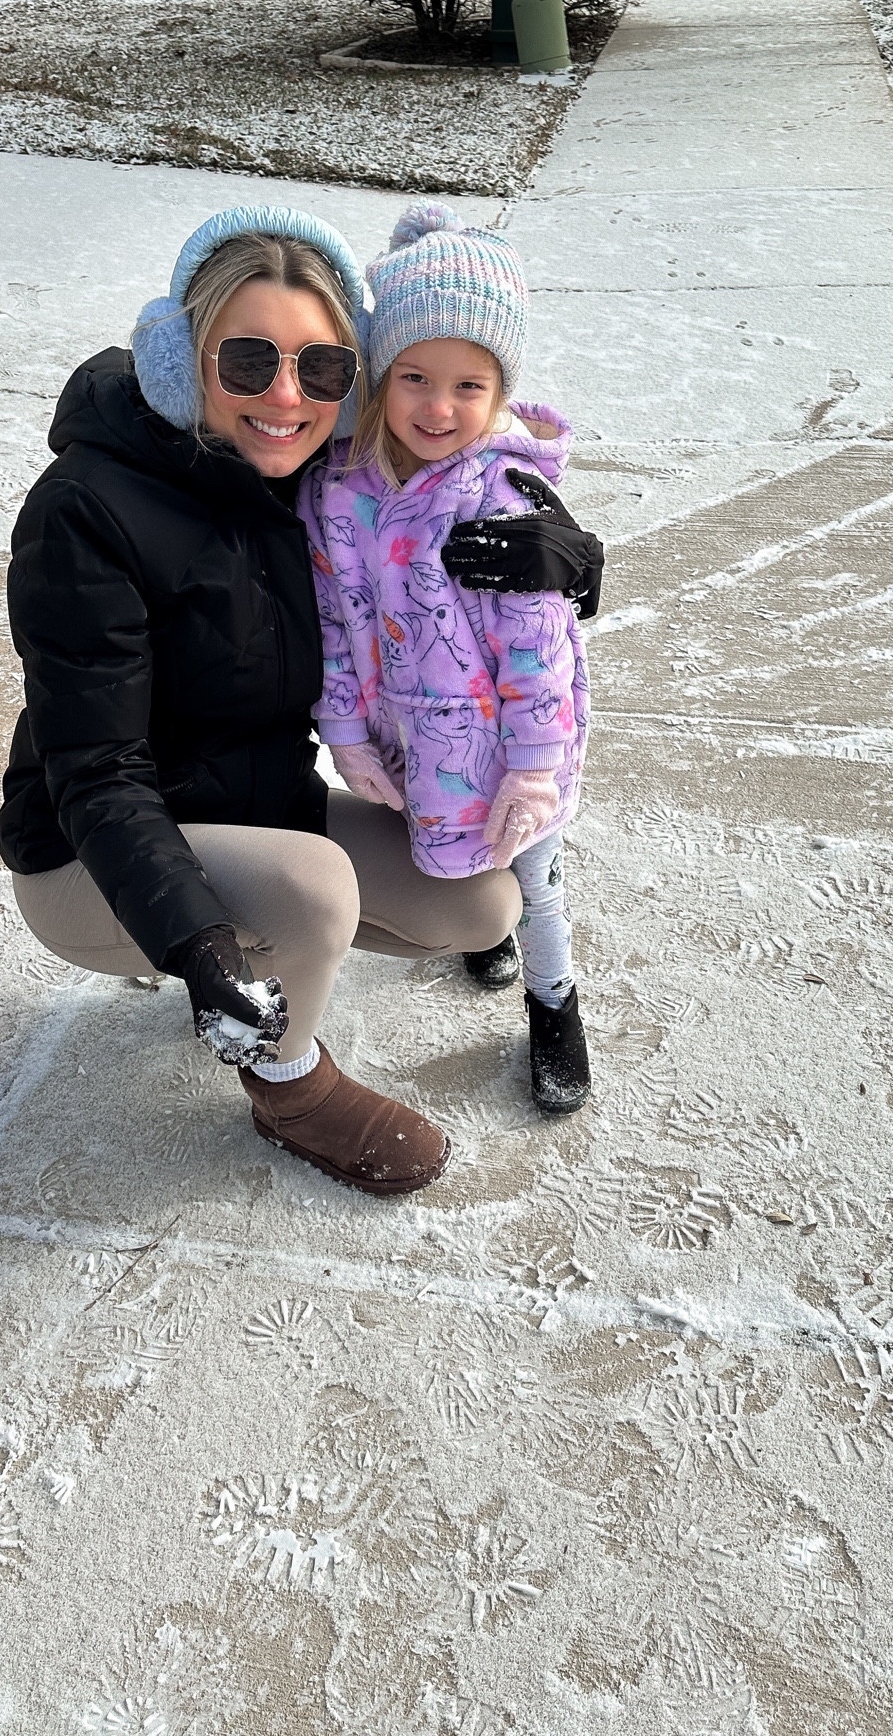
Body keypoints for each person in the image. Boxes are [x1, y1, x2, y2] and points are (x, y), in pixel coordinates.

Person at [0, 205, 603, 1198]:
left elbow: (455, 456)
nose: (286, 397)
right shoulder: (86, 511)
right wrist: (199, 946)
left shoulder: (308, 467)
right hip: (88, 849)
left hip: (257, 806)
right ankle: (289, 1085)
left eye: (321, 370)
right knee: (316, 892)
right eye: (248, 361)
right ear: (183, 357)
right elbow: (96, 772)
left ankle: (273, 928)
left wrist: (568, 553)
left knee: (481, 898)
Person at [302, 204, 591, 1114]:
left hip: (510, 748)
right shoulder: (338, 493)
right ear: (379, 376)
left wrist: (537, 768)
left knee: (533, 877)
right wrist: (346, 734)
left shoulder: (502, 501)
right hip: (403, 738)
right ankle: (479, 934)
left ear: (500, 392)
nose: (439, 407)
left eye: (470, 386)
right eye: (416, 377)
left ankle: (555, 1003)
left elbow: (538, 650)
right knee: (453, 861)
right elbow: (332, 621)